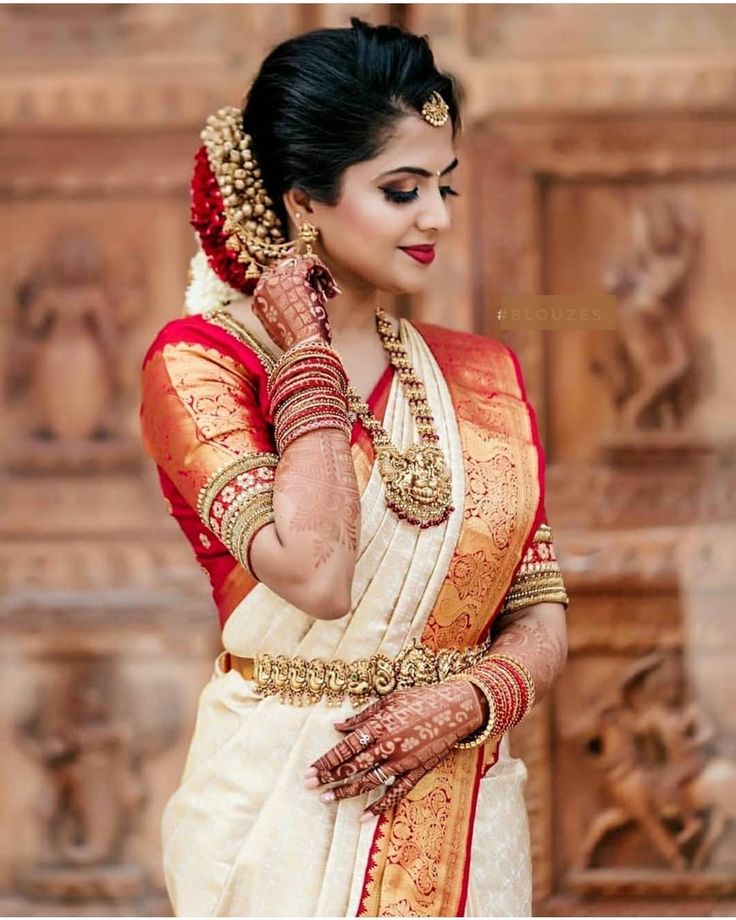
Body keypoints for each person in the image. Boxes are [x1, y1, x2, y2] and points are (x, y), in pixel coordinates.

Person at [139, 18, 569, 918]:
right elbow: (318, 575)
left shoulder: (482, 373)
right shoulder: (204, 364)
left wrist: (469, 701)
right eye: (401, 189)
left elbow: (538, 608)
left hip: (462, 812)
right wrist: (308, 355)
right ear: (305, 201)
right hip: (281, 809)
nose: (438, 217)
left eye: (444, 185)